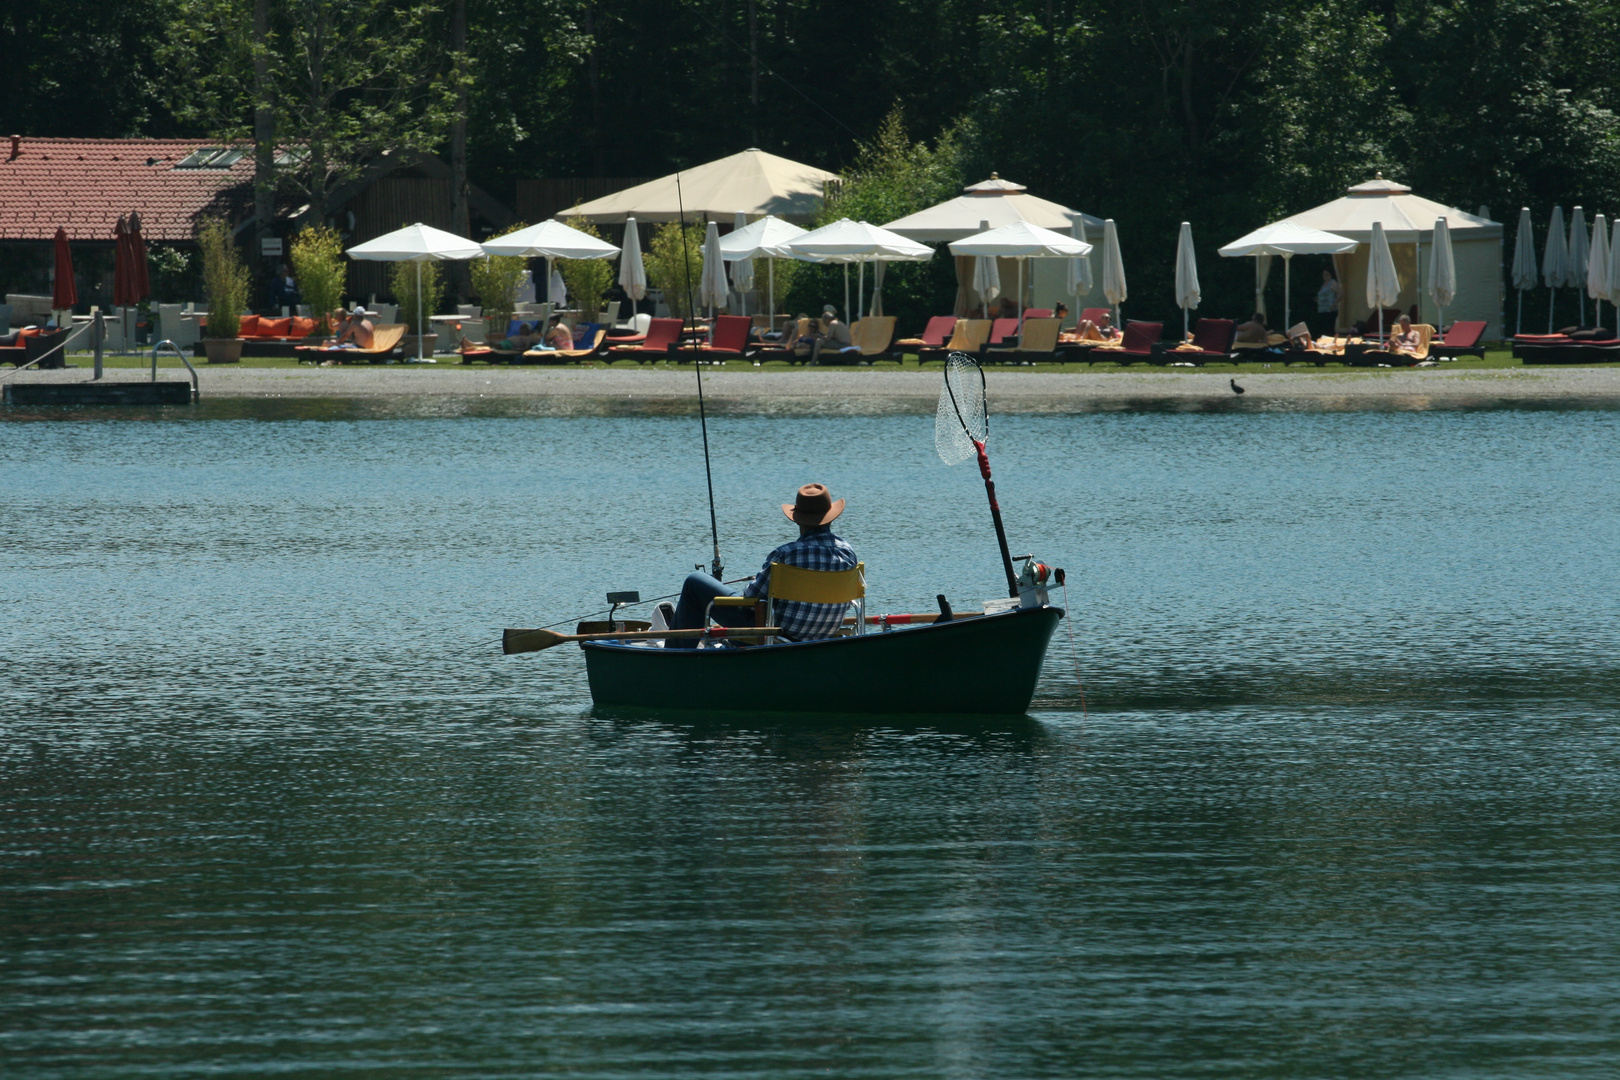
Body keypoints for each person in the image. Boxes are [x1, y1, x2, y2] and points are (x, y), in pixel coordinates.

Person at [666, 484, 858, 648]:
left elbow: (750, 598)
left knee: (694, 582)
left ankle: (673, 656)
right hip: (823, 634)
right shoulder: (848, 553)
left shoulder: (786, 554)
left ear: (798, 519)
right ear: (831, 517)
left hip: (777, 636)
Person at [1315, 269, 1341, 337]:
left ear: (1330, 274)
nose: (1325, 276)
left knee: (1330, 329)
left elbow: (1341, 294)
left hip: (1330, 310)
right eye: (1324, 274)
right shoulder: (1323, 285)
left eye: (1327, 274)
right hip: (1322, 310)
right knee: (1323, 329)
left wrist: (1334, 304)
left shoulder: (1332, 283)